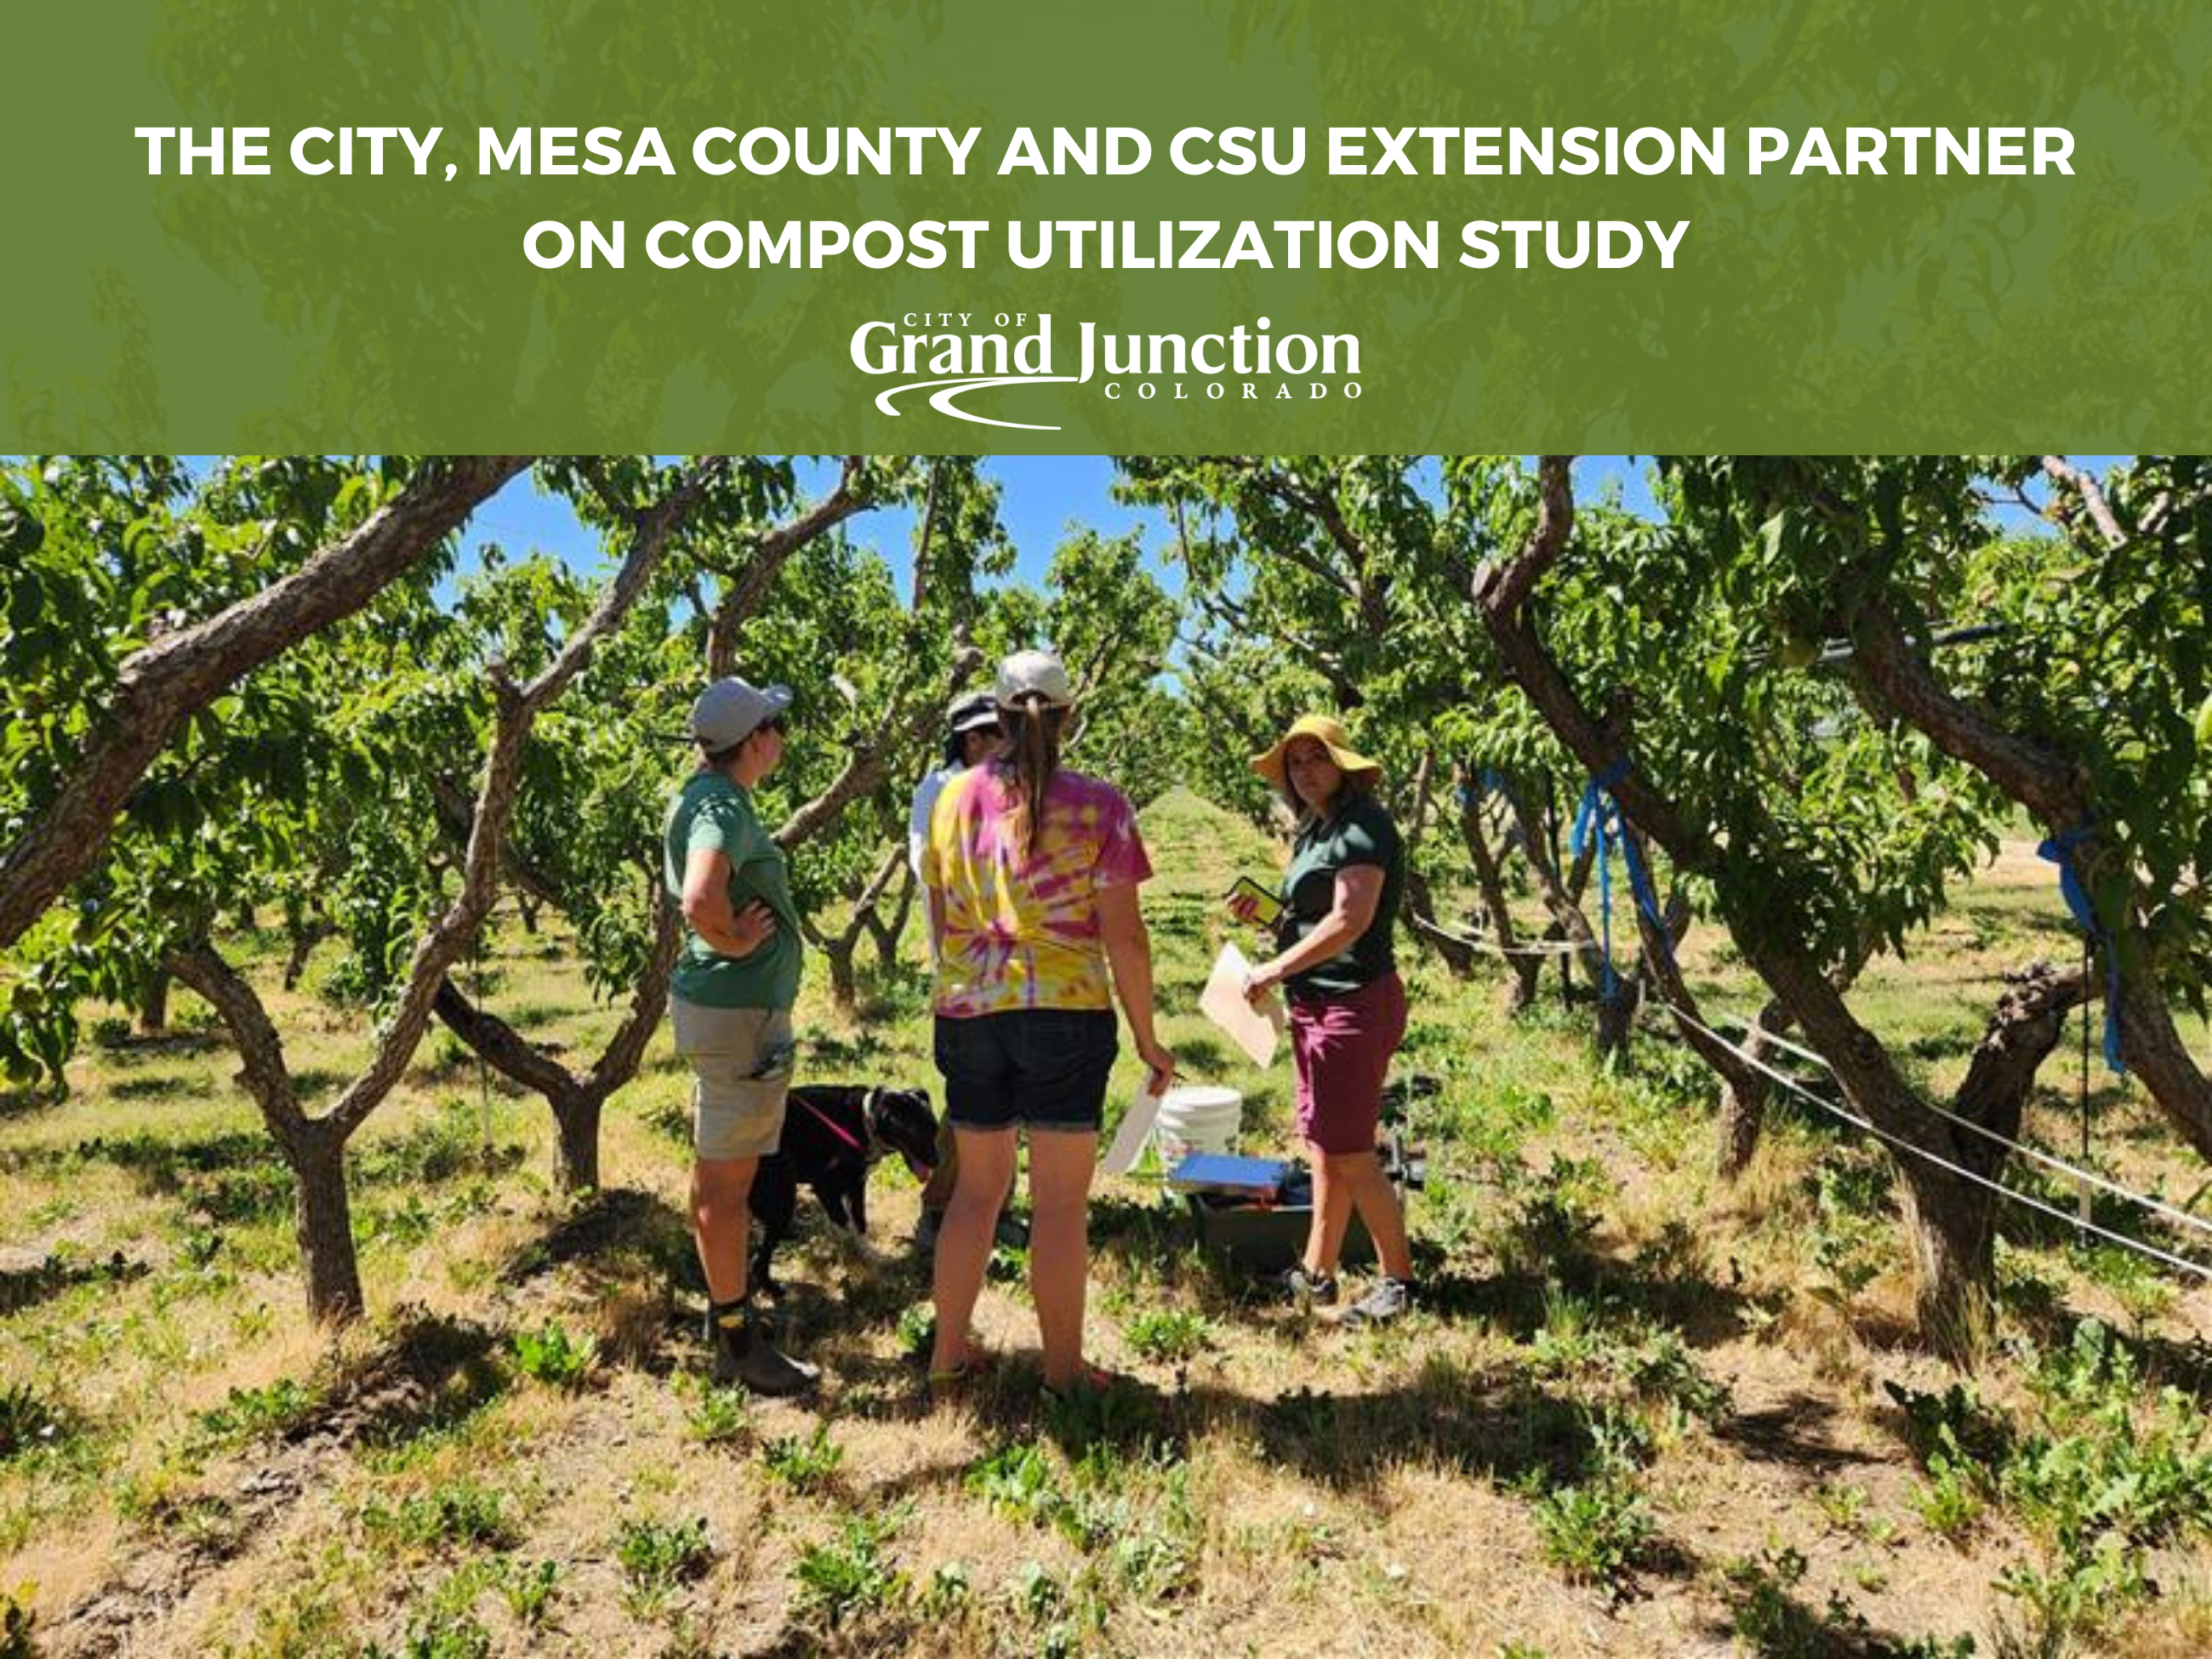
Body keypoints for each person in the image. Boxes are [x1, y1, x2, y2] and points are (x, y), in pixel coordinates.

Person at [921, 649, 1175, 1395]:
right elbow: (1125, 936)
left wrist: (969, 983)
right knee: (1061, 1205)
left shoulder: (949, 799)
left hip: (970, 1012)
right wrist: (1148, 1037)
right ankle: (1064, 1376)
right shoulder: (1101, 805)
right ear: (1068, 716)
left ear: (995, 717)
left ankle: (946, 1357)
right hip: (1065, 1014)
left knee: (975, 1194)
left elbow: (942, 919)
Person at [663, 676, 816, 1396]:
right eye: (774, 728)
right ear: (753, 742)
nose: (781, 739)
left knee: (717, 1173)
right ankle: (736, 1340)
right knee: (729, 1185)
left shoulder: (706, 796)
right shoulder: (722, 804)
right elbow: (699, 897)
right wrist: (727, 939)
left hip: (725, 1015)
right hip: (740, 1018)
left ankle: (724, 1312)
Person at [1236, 714, 1415, 1325]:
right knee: (1323, 1146)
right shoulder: (1316, 829)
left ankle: (1398, 1279)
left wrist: (1271, 970)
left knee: (1352, 1151)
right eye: (1296, 761)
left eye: (1317, 758)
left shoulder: (1363, 825)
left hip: (1353, 1003)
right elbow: (1310, 919)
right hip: (1316, 1004)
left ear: (1342, 763)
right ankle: (1318, 1273)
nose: (1306, 770)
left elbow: (1350, 921)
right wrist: (1267, 920)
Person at [906, 692, 1028, 1251]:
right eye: (988, 735)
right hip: (970, 971)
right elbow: (933, 877)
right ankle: (939, 1209)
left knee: (1008, 1096)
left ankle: (996, 1202)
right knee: (973, 1098)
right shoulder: (942, 791)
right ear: (969, 740)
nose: (1000, 746)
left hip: (1015, 971)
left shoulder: (1012, 787)